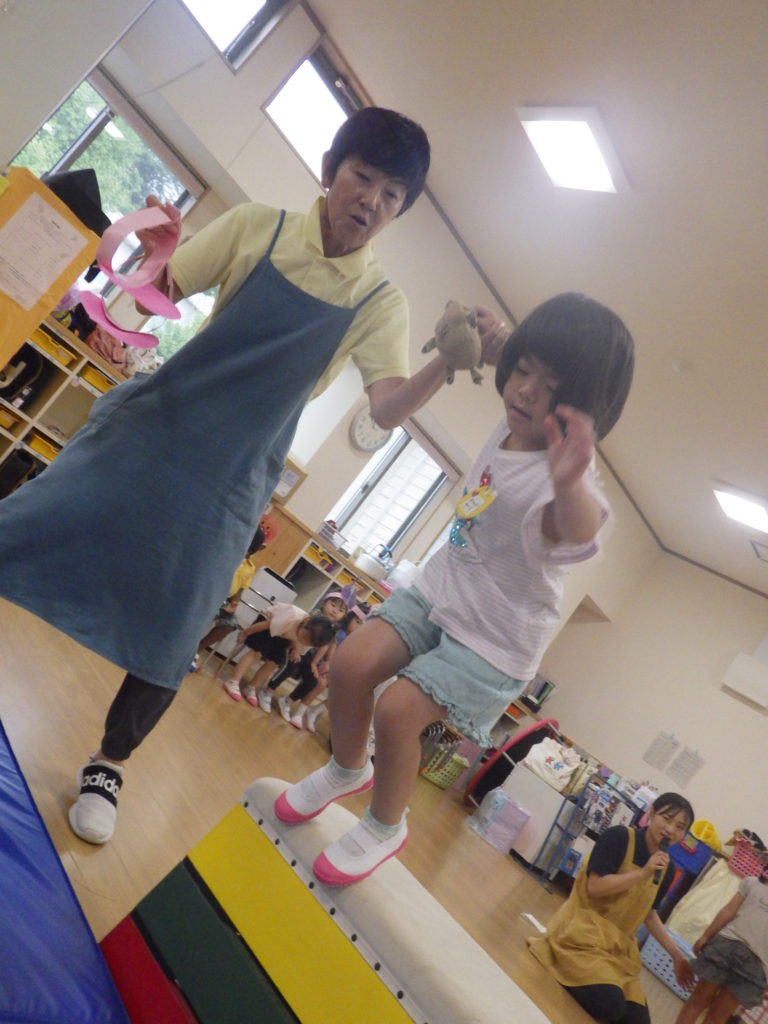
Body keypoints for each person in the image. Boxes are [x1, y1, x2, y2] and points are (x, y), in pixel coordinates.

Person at [0, 107, 506, 846]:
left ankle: (109, 764)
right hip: (151, 430)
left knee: (177, 629)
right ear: (331, 171)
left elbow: (386, 407)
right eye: (363, 177)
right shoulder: (256, 227)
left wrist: (444, 366)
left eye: (392, 195)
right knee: (24, 525)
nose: (371, 201)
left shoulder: (379, 300)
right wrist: (152, 249)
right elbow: (161, 288)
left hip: (230, 483)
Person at [275, 291, 636, 885]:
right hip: (444, 586)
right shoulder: (514, 410)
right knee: (351, 662)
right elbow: (507, 352)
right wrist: (490, 337)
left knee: (396, 713)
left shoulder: (566, 473)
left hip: (495, 637)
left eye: (550, 388)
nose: (525, 392)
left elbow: (578, 527)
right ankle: (346, 768)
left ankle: (385, 826)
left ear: (581, 411)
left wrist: (571, 479)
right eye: (523, 371)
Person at [529, 792, 696, 1023]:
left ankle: (595, 979)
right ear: (651, 813)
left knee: (638, 1021)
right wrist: (643, 873)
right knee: (610, 1007)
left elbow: (648, 914)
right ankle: (561, 963)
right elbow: (595, 887)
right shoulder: (618, 837)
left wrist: (677, 956)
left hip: (616, 950)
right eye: (666, 819)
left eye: (680, 827)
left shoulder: (667, 870)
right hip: (580, 934)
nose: (670, 829)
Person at [675, 870, 768, 1024]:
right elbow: (728, 912)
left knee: (697, 1002)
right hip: (756, 966)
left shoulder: (751, 883)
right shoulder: (751, 883)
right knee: (717, 1017)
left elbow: (728, 911)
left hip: (726, 947)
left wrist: (706, 936)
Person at [254, 592, 347, 714]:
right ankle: (267, 691)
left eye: (340, 610)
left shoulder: (333, 628)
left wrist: (314, 663)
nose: (335, 611)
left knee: (313, 680)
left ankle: (288, 701)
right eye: (333, 605)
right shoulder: (314, 616)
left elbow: (324, 647)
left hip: (308, 654)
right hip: (294, 644)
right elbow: (298, 633)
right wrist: (296, 650)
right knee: (291, 665)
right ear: (323, 603)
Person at [222, 605, 335, 705]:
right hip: (267, 622)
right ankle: (233, 681)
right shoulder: (292, 616)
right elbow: (267, 625)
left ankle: (252, 687)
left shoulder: (310, 638)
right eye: (304, 638)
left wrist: (295, 650)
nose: (304, 641)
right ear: (306, 621)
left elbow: (296, 638)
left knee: (274, 662)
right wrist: (245, 633)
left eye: (308, 643)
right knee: (257, 652)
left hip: (284, 634)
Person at [191, 526, 267, 670]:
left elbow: (240, 588)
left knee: (230, 624)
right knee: (201, 614)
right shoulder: (228, 553)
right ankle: (186, 647)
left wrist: (234, 603)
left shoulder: (250, 567)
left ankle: (196, 650)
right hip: (208, 591)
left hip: (224, 600)